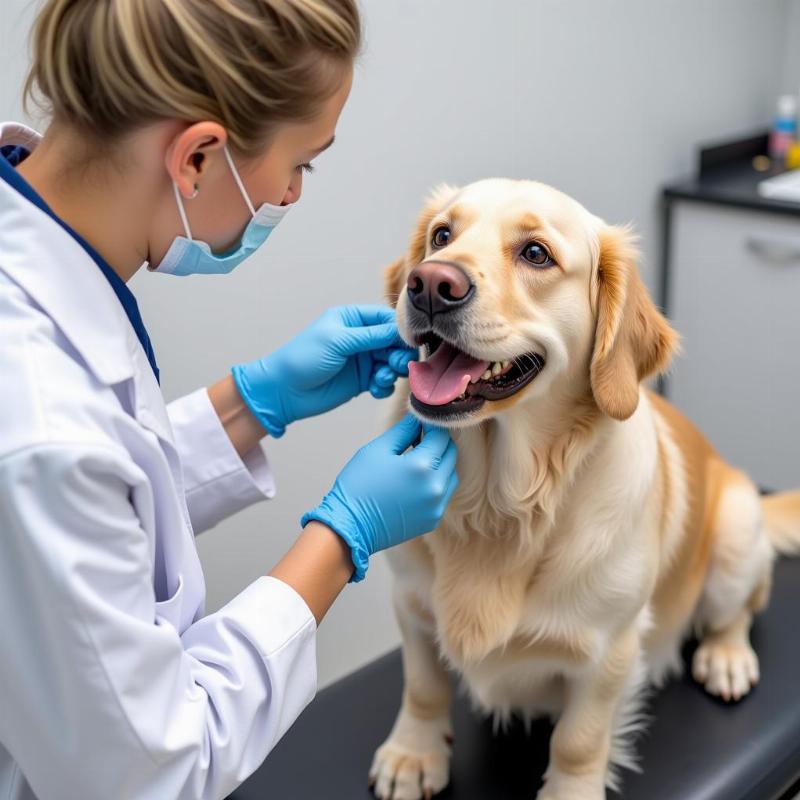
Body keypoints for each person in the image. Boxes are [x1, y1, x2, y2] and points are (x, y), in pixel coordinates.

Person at [0, 1, 459, 798]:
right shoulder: (39, 424)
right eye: (302, 163)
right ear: (199, 158)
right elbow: (156, 769)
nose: (293, 192)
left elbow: (95, 506)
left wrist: (251, 403)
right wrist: (342, 537)